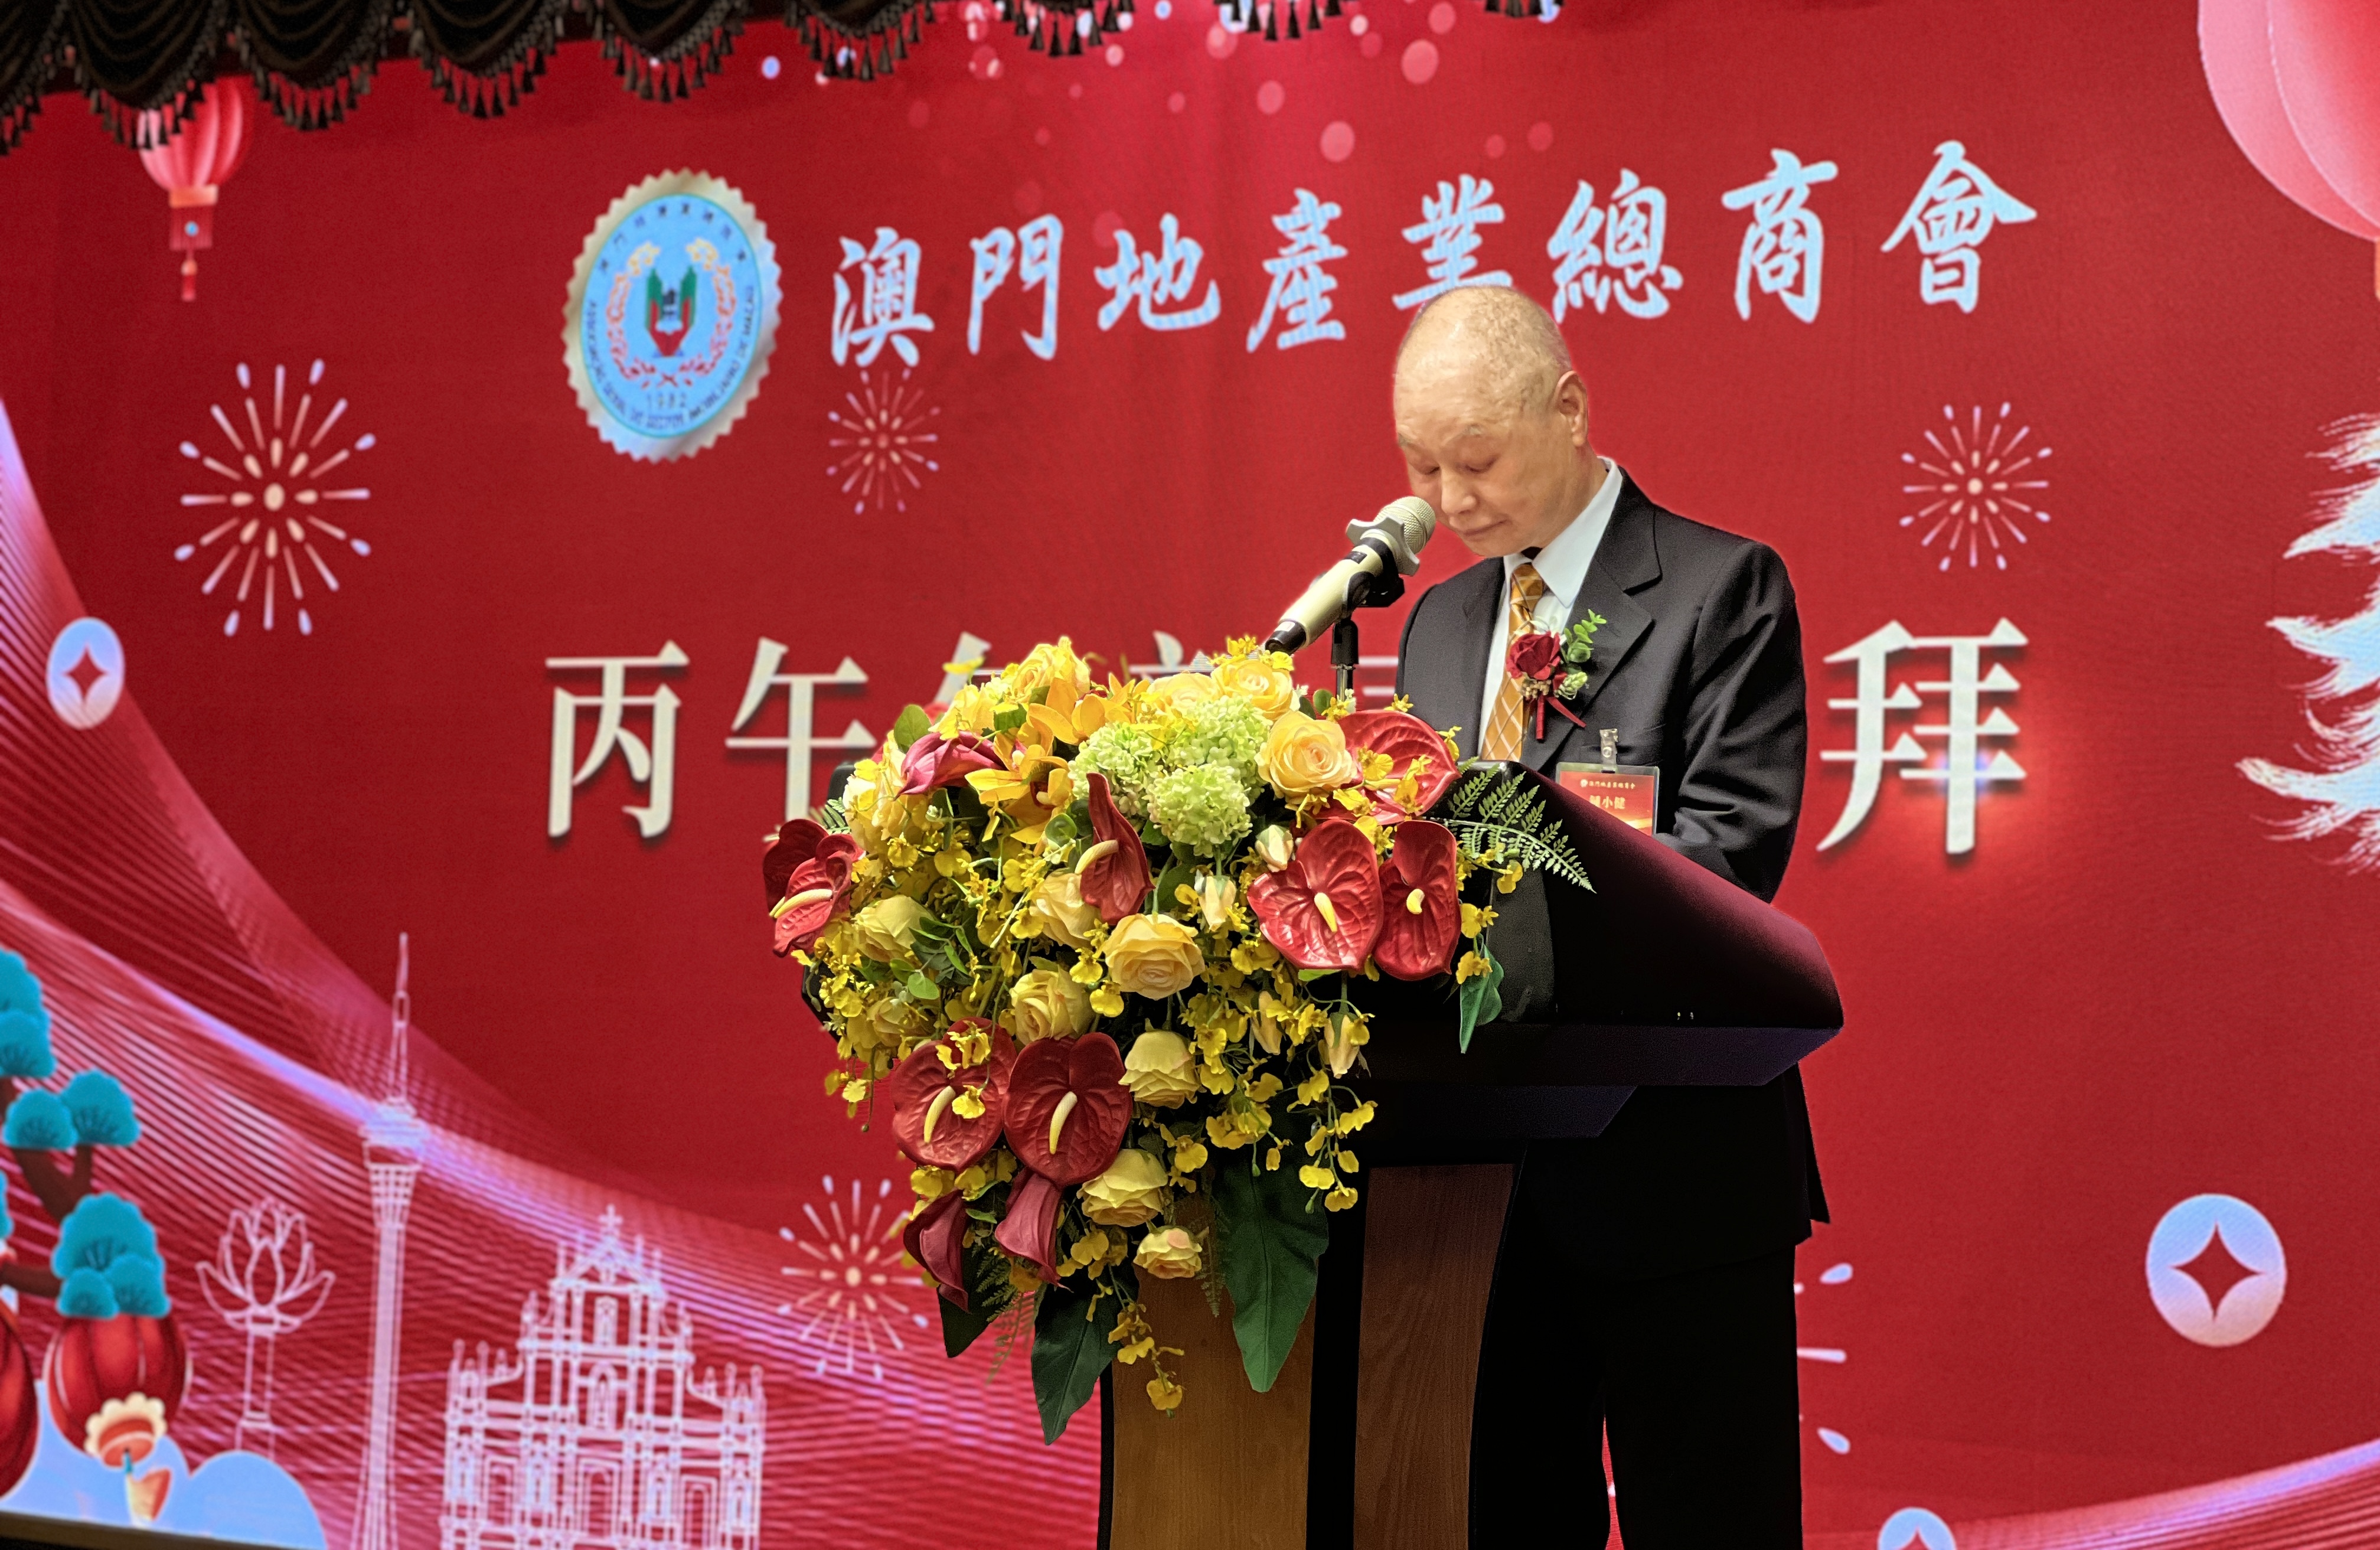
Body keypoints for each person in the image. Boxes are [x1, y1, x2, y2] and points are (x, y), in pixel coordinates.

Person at [1390, 286, 1824, 1547]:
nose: (1451, 499)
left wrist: (1510, 899)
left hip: (1675, 1172)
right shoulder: (1437, 621)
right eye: (1421, 465)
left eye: (1477, 459)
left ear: (1569, 410)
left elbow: (1728, 861)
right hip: (1471, 1193)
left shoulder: (1720, 588)